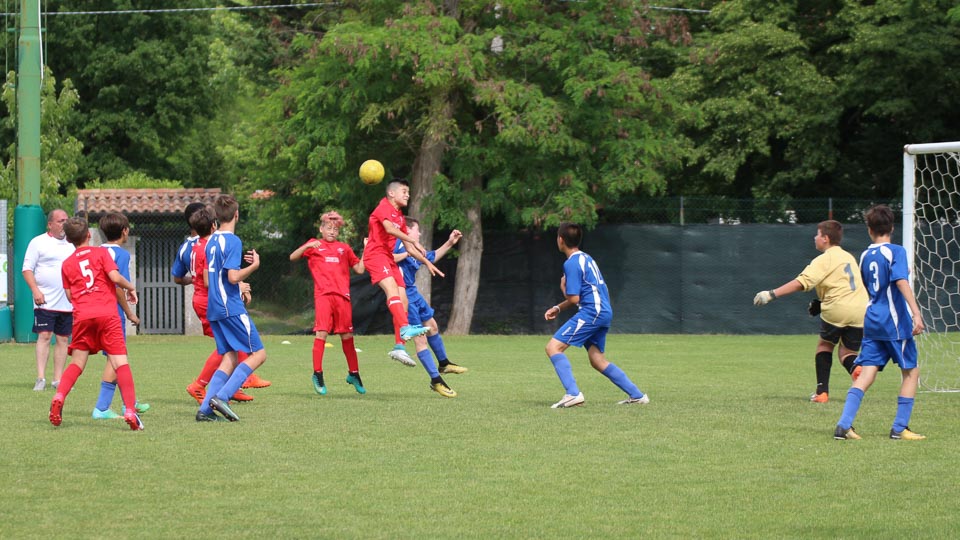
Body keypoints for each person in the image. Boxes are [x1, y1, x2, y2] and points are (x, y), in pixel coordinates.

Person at [834, 205, 927, 441]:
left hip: (872, 320)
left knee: (867, 374)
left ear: (869, 229)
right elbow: (900, 281)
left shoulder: (865, 256)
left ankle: (844, 425)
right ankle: (899, 428)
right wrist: (916, 313)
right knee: (911, 371)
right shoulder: (896, 251)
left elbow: (870, 287)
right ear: (892, 228)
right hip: (894, 321)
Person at [753, 220, 868, 403]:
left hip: (837, 309)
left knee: (825, 346)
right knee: (847, 352)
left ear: (825, 238)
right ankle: (857, 369)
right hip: (861, 310)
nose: (815, 237)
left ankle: (821, 393)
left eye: (817, 234)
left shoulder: (825, 259)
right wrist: (821, 304)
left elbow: (802, 282)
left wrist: (772, 294)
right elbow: (844, 287)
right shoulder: (848, 257)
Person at [50, 217, 143, 431]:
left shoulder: (67, 264)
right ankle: (130, 410)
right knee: (120, 362)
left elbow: (70, 295)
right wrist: (130, 288)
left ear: (69, 240)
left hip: (83, 316)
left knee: (77, 363)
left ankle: (59, 396)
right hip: (107, 314)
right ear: (89, 235)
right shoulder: (100, 253)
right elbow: (114, 277)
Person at [543, 223, 648, 408]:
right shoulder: (586, 258)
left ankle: (573, 394)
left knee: (553, 347)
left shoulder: (571, 263)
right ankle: (637, 395)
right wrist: (558, 308)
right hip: (603, 311)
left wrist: (563, 288)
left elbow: (574, 298)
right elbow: (588, 293)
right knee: (597, 360)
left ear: (560, 240)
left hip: (592, 312)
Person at [195, 194, 268, 422]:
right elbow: (233, 276)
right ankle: (223, 397)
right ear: (236, 215)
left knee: (229, 357)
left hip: (214, 308)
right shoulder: (233, 241)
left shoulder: (211, 241)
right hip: (230, 307)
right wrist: (254, 266)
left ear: (216, 217)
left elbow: (216, 277)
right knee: (259, 354)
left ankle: (205, 410)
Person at [362, 178, 440, 364]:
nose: (407, 195)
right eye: (404, 191)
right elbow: (389, 229)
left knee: (403, 301)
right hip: (375, 256)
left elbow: (410, 248)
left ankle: (399, 347)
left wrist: (426, 262)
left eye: (408, 192)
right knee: (392, 291)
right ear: (392, 193)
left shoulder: (399, 216)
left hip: (388, 258)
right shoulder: (383, 206)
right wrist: (411, 239)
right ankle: (405, 328)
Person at [184, 206, 257, 404]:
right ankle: (207, 387)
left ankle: (229, 390)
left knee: (229, 348)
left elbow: (180, 277)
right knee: (231, 348)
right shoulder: (215, 244)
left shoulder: (197, 245)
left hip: (207, 300)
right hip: (215, 300)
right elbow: (215, 278)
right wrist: (241, 282)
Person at [289, 211, 367, 395]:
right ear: (321, 229)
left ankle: (354, 373)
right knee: (321, 333)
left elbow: (360, 269)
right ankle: (317, 374)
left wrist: (367, 249)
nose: (332, 231)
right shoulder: (314, 245)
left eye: (335, 229)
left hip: (343, 297)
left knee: (347, 336)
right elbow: (292, 257)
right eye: (329, 228)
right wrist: (307, 245)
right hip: (324, 296)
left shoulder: (344, 248)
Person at [393, 217, 465, 398]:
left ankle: (444, 363)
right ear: (406, 230)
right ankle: (436, 381)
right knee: (421, 340)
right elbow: (387, 258)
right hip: (404, 296)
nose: (419, 233)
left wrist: (450, 242)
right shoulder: (397, 243)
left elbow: (430, 258)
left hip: (414, 293)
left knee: (432, 326)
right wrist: (408, 252)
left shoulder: (414, 248)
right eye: (416, 230)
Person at [90, 212, 151, 419]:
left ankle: (129, 402)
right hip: (111, 313)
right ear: (125, 231)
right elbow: (116, 287)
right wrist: (129, 312)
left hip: (94, 310)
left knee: (115, 358)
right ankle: (103, 408)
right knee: (116, 358)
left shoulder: (96, 251)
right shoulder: (121, 255)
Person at [22, 209, 74, 391]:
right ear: (50, 224)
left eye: (66, 220)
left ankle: (57, 380)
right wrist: (36, 290)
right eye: (60, 221)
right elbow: (27, 269)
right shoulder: (38, 242)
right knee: (44, 336)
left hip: (67, 301)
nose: (64, 224)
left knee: (63, 339)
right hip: (44, 300)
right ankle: (40, 378)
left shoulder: (72, 243)